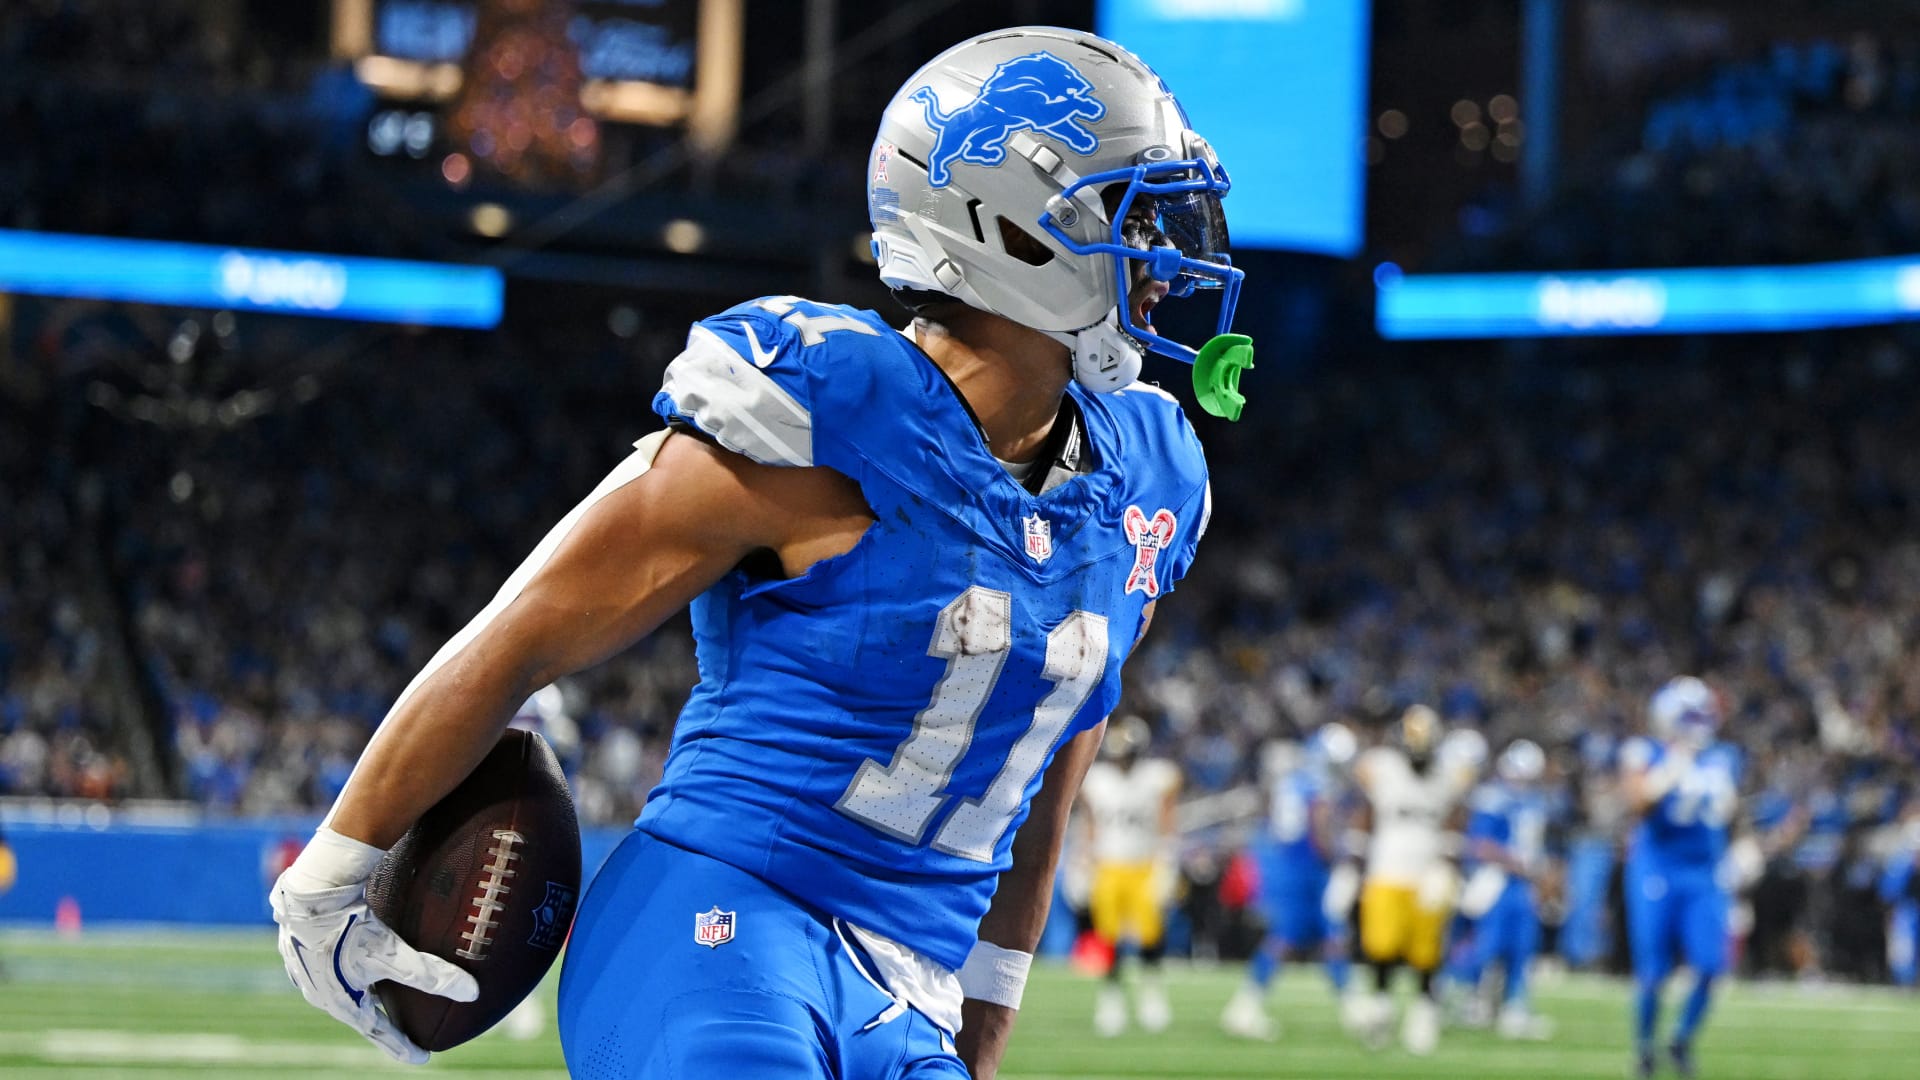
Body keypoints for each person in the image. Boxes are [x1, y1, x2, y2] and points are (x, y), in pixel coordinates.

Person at [268, 25, 1248, 1080]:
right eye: (1134, 215)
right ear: (1010, 229)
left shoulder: (1152, 473)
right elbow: (524, 632)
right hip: (720, 917)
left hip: (909, 988)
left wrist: (988, 1006)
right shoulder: (827, 407)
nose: (1165, 261)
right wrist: (331, 871)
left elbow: (1049, 770)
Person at [1619, 676, 1740, 1079]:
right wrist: (1670, 768)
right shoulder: (1645, 751)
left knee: (1711, 964)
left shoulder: (1724, 757)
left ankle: (1681, 1038)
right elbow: (1637, 803)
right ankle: (1644, 1049)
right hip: (1658, 867)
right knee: (1653, 971)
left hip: (1705, 872)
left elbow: (1728, 814)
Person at [1348, 705, 1478, 1055]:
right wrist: (1351, 861)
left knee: (1427, 951)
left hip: (1427, 873)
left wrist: (1448, 862)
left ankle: (1424, 1010)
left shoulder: (1449, 773)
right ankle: (1382, 1007)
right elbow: (1364, 810)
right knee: (1381, 946)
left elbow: (1457, 815)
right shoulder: (1383, 767)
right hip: (1387, 870)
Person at [1221, 722, 1357, 1041]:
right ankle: (1244, 1008)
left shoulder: (1294, 780)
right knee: (1290, 938)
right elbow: (1319, 828)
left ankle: (1353, 1008)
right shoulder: (1317, 784)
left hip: (1284, 862)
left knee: (1329, 936)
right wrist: (1337, 858)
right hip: (1305, 868)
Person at [1075, 713, 1180, 1036]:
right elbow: (1090, 823)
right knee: (1108, 937)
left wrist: (1168, 860)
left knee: (1150, 935)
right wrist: (1082, 861)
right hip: (1108, 865)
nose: (1122, 759)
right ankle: (1112, 999)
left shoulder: (1157, 777)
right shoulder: (1098, 780)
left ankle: (1151, 995)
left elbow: (1166, 819)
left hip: (1144, 865)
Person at [1455, 738, 1555, 1040]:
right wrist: (1516, 864)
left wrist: (1536, 873)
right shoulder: (1493, 798)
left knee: (1522, 949)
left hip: (1522, 885)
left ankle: (1514, 1007)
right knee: (1489, 946)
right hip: (1496, 882)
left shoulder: (1536, 801)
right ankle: (1475, 1002)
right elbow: (1480, 845)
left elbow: (1537, 848)